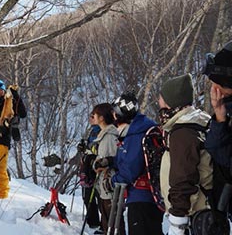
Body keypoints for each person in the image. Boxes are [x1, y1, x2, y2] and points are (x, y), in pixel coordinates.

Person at [96, 91, 163, 235]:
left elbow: (130, 168)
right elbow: (129, 159)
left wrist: (113, 181)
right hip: (151, 195)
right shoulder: (142, 129)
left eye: (115, 112)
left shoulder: (136, 134)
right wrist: (110, 161)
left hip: (141, 197)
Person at [158, 74, 212, 235]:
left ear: (171, 101)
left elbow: (183, 177)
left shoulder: (183, 132)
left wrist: (177, 221)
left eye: (161, 97)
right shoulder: (199, 122)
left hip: (191, 215)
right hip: (204, 211)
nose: (158, 101)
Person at [203, 41, 232, 218]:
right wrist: (220, 117)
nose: (212, 88)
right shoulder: (226, 110)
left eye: (215, 83)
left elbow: (224, 159)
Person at [90, 103, 125, 235]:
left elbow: (112, 161)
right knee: (106, 221)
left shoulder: (110, 136)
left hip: (110, 187)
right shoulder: (104, 135)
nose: (93, 117)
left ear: (102, 118)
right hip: (104, 187)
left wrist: (102, 165)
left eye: (95, 115)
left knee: (114, 223)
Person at [78, 113, 102, 232]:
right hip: (88, 166)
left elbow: (98, 149)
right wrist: (83, 148)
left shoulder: (103, 130)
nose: (90, 118)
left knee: (99, 196)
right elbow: (90, 147)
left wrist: (88, 151)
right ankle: (93, 221)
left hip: (97, 166)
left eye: (93, 116)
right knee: (87, 195)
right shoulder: (92, 130)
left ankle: (104, 224)